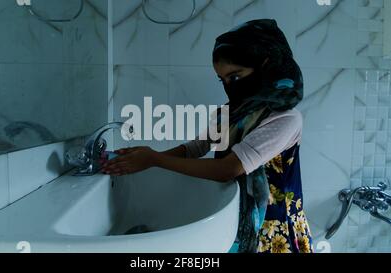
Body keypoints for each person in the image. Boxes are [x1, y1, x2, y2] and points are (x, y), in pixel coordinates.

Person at [102, 19, 313, 253]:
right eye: (223, 80)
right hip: (237, 218)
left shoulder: (286, 119)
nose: (229, 86)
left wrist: (153, 160)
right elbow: (196, 148)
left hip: (276, 231)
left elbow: (228, 169)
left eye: (235, 76)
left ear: (266, 65)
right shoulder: (230, 113)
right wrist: (144, 160)